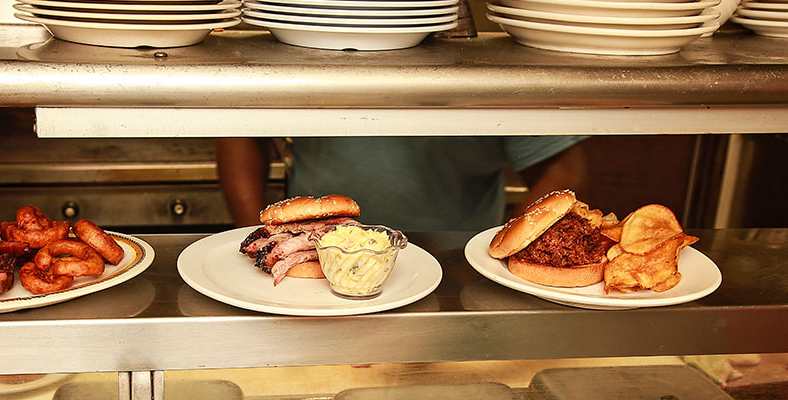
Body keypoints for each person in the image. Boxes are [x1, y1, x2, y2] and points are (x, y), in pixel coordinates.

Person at [217, 135, 588, 232]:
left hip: (453, 269)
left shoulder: (484, 33)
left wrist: (508, 254)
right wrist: (258, 238)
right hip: (312, 258)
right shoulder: (306, 22)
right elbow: (241, 128)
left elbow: (563, 168)